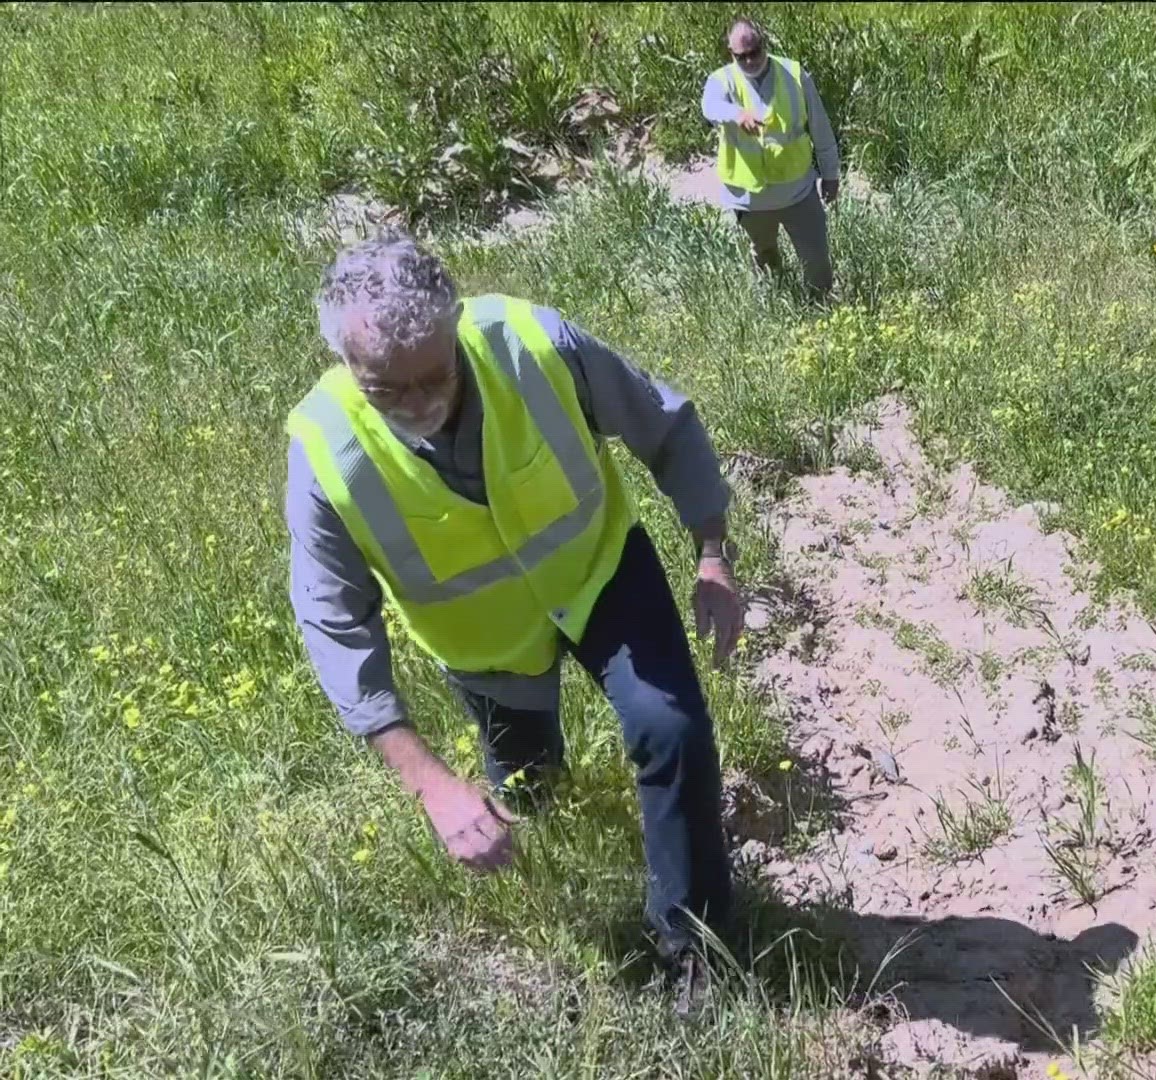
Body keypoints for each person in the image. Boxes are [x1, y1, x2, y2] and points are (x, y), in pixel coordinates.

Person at [283, 234, 744, 1012]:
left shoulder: (536, 344)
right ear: (345, 365)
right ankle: (561, 911)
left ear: (459, 323)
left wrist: (713, 552)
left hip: (598, 573)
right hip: (488, 645)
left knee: (672, 730)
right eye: (386, 389)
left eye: (435, 376)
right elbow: (335, 624)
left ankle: (693, 946)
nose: (420, 402)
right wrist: (430, 786)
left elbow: (662, 424)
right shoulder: (326, 453)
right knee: (528, 790)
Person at [701, 17, 841, 300]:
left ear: (764, 44)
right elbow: (709, 106)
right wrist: (737, 114)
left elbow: (821, 129)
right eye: (742, 57)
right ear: (731, 53)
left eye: (755, 52)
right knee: (764, 256)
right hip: (750, 199)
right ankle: (778, 302)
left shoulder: (795, 75)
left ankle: (821, 308)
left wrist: (831, 175)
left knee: (817, 262)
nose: (750, 61)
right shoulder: (722, 80)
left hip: (798, 192)